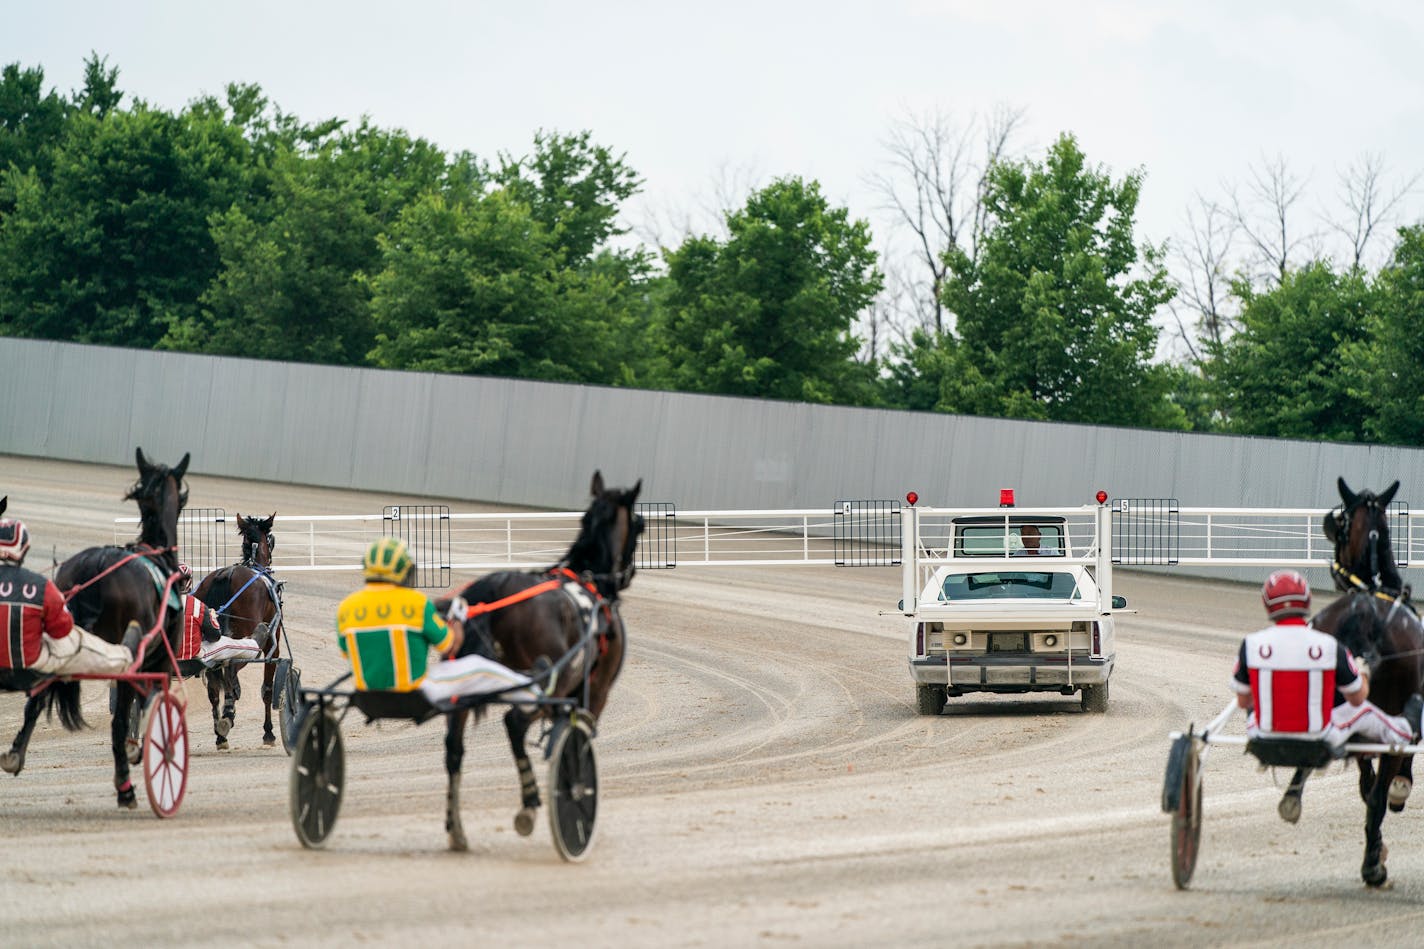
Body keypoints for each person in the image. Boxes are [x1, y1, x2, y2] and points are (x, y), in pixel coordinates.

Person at [1231, 569, 1423, 749]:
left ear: (1267, 603)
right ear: (1307, 599)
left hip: (1262, 734)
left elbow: (1243, 701)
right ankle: (1404, 731)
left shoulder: (1250, 644)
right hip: (1320, 735)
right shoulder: (1330, 645)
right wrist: (1363, 671)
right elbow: (1357, 698)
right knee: (1363, 711)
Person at [0, 518, 135, 676]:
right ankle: (126, 657)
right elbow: (62, 630)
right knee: (77, 640)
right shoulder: (42, 587)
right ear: (24, 548)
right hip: (30, 667)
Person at [336, 537, 465, 691]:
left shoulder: (346, 607)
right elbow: (449, 647)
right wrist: (457, 617)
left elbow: (346, 653)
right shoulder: (418, 603)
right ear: (404, 570)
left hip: (367, 701)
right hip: (415, 699)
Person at [174, 563, 270, 667]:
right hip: (192, 659)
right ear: (189, 581)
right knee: (227, 643)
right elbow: (214, 637)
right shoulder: (198, 606)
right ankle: (254, 646)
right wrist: (212, 618)